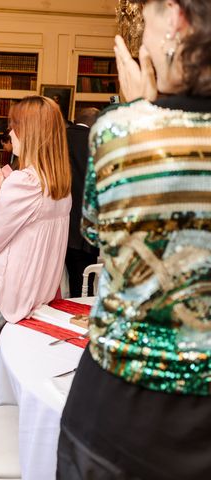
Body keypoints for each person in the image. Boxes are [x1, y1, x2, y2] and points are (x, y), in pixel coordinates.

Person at [58, 1, 211, 478]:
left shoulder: (119, 131)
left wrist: (139, 109)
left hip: (117, 414)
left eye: (147, 17)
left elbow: (97, 235)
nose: (141, 36)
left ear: (176, 17)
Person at [0, 96, 72, 409]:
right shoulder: (59, 182)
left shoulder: (25, 183)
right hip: (39, 294)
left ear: (31, 133)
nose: (9, 134)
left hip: (4, 295)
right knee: (14, 369)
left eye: (14, 127)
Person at [64, 107, 99, 297]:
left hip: (60, 221)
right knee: (84, 285)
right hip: (87, 227)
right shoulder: (98, 143)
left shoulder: (59, 139)